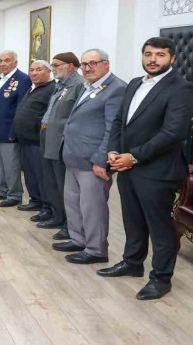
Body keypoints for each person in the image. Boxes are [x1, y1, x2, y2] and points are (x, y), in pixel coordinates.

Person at [99, 37, 193, 301]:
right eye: (148, 54)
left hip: (157, 170)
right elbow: (119, 121)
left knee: (159, 227)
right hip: (126, 166)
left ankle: (161, 279)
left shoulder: (181, 88)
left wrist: (134, 157)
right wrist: (113, 151)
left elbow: (172, 133)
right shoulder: (134, 83)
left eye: (160, 55)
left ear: (172, 58)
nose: (153, 59)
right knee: (132, 219)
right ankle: (132, 262)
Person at [55, 49, 126, 265]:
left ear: (107, 64)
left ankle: (96, 250)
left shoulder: (116, 89)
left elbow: (112, 129)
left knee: (92, 207)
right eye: (85, 64)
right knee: (74, 203)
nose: (88, 68)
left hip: (92, 161)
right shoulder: (88, 86)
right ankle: (79, 239)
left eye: (93, 63)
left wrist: (101, 160)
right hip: (74, 156)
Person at [36, 52, 84, 235]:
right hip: (48, 136)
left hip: (61, 140)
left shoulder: (78, 85)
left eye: (56, 65)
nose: (53, 69)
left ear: (70, 66)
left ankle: (68, 224)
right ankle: (57, 216)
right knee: (51, 180)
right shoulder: (60, 84)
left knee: (63, 183)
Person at [0, 51, 32, 207]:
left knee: (11, 165)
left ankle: (14, 194)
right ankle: (1, 190)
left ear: (15, 63)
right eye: (1, 60)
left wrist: (14, 131)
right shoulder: (0, 78)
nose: (3, 64)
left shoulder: (22, 79)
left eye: (7, 60)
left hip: (8, 131)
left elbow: (21, 108)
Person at [12, 60, 55, 212]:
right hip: (25, 140)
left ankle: (47, 206)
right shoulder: (33, 88)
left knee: (41, 175)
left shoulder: (52, 89)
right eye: (32, 70)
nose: (34, 73)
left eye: (39, 70)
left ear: (49, 71)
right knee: (30, 174)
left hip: (38, 141)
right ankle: (35, 199)